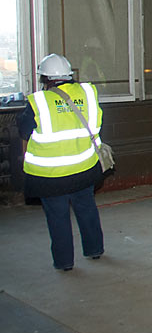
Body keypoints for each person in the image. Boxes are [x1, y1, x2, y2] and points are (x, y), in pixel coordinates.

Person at [17, 54, 105, 271]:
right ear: (69, 75)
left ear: (45, 78)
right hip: (84, 168)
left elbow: (24, 130)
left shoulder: (38, 102)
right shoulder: (87, 93)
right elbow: (98, 123)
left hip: (51, 176)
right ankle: (94, 250)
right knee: (87, 209)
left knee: (58, 217)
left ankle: (65, 262)